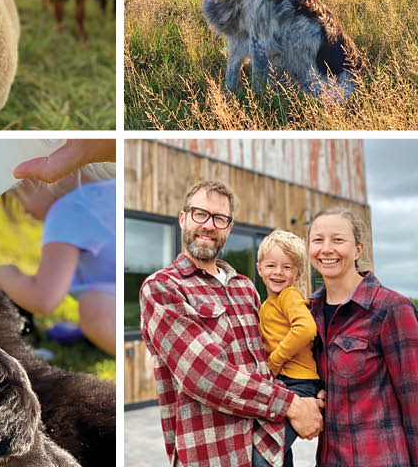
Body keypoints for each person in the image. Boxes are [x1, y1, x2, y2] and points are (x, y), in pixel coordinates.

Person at [139, 180, 323, 467]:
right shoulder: (163, 288)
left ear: (229, 228)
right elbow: (203, 374)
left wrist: (310, 388)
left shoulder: (245, 287)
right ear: (183, 218)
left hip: (268, 442)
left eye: (220, 218)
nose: (209, 225)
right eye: (200, 214)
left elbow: (269, 353)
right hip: (216, 454)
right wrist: (292, 404)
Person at [307, 207, 418, 466]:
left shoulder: (391, 308)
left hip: (380, 458)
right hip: (329, 459)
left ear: (358, 250)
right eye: (317, 240)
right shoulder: (308, 313)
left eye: (338, 240)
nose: (326, 249)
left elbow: (414, 400)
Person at [0, 163, 116, 355]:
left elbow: (43, 299)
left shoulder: (68, 210)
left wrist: (4, 277)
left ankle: (110, 335)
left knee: (95, 309)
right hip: (145, 308)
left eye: (15, 193)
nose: (22, 209)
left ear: (36, 178)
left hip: (130, 314)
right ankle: (98, 332)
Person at [255, 230, 321, 467]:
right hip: (282, 383)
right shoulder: (265, 306)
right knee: (279, 453)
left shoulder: (289, 296)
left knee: (263, 455)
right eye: (271, 265)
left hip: (300, 383)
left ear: (298, 273)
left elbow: (305, 329)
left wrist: (274, 361)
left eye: (287, 267)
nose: (278, 273)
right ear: (260, 268)